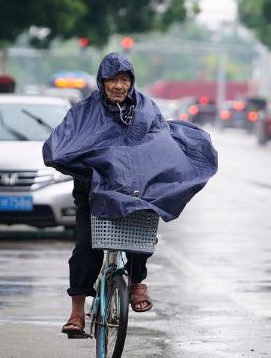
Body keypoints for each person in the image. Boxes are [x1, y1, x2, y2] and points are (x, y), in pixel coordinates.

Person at [43, 52, 218, 338]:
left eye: (124, 79)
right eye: (112, 79)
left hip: (135, 190)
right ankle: (76, 313)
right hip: (93, 193)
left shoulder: (146, 108)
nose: (118, 85)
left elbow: (159, 140)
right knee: (86, 249)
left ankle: (137, 282)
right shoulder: (83, 112)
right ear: (102, 82)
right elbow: (64, 141)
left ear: (131, 82)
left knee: (141, 228)